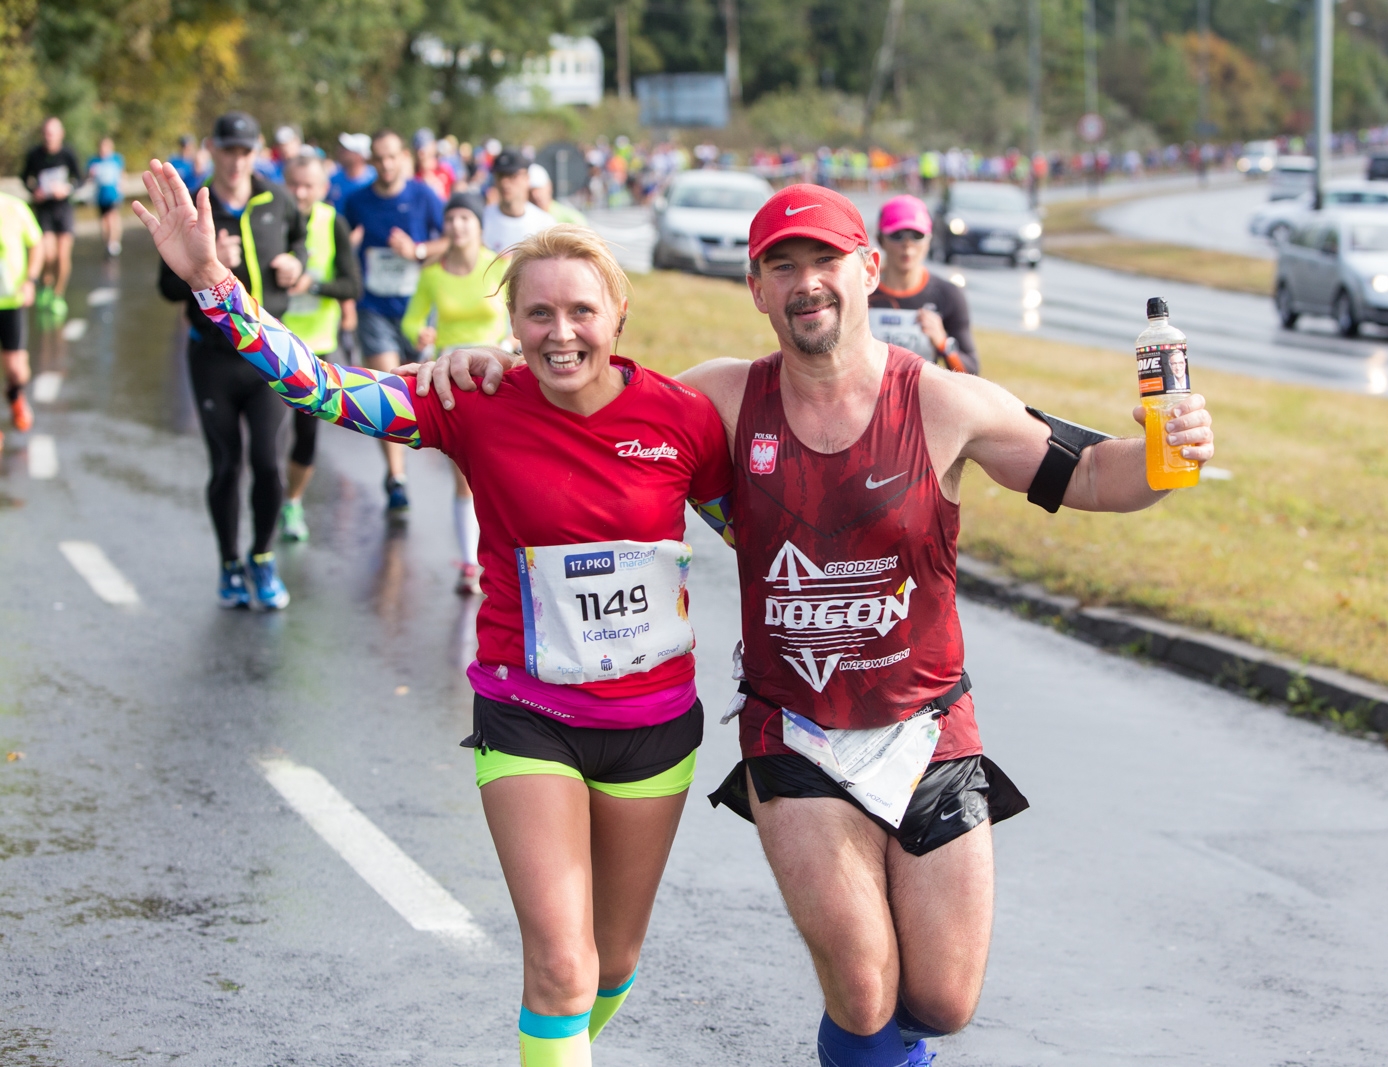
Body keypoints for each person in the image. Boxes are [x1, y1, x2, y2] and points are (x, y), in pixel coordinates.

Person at [417, 184, 1215, 1067]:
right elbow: (593, 403)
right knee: (866, 985)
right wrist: (492, 363)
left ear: (868, 270)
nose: (807, 284)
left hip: (928, 725)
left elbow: (1097, 476)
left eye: (825, 262)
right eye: (782, 267)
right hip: (792, 727)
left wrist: (1164, 452)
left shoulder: (945, 402)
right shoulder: (718, 399)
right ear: (756, 289)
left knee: (941, 1001)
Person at [134, 160, 738, 1067]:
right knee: (562, 966)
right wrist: (213, 286)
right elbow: (319, 387)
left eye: (581, 311)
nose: (561, 332)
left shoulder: (683, 419)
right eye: (538, 313)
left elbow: (763, 540)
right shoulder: (474, 400)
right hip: (529, 717)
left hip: (654, 727)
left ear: (619, 316)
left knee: (612, 963)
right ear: (512, 323)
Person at [156, 111, 306, 610]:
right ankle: (229, 564)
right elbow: (165, 287)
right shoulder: (194, 207)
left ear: (257, 150)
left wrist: (296, 264)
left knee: (267, 462)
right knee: (227, 465)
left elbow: (299, 238)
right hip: (214, 357)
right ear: (212, 149)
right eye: (228, 150)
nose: (237, 161)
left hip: (267, 354)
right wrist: (201, 266)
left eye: (245, 150)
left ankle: (262, 559)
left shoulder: (276, 198)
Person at [399, 190, 507, 594]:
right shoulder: (432, 273)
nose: (458, 226)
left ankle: (506, 560)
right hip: (452, 377)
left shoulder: (500, 267)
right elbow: (411, 322)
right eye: (452, 218)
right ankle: (469, 562)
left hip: (497, 373)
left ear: (480, 225)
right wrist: (420, 334)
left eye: (466, 218)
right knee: (464, 476)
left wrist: (511, 343)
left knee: (503, 475)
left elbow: (518, 316)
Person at [340, 128, 446, 514]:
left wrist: (416, 250)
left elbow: (449, 239)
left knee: (425, 389)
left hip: (418, 309)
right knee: (388, 391)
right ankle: (397, 477)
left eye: (391, 157)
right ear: (371, 161)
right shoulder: (357, 201)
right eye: (378, 159)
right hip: (374, 309)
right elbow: (341, 241)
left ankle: (461, 475)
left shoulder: (423, 195)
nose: (385, 165)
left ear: (403, 157)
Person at [278, 154, 363, 543]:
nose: (300, 193)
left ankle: (292, 501)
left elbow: (352, 286)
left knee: (305, 433)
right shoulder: (271, 219)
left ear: (323, 188)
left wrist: (312, 285)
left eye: (308, 185)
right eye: (293, 184)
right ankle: (268, 497)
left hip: (315, 347)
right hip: (268, 342)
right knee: (264, 436)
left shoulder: (333, 223)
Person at [867, 195, 977, 374]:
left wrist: (943, 343)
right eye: (897, 235)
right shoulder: (861, 292)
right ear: (880, 240)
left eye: (917, 236)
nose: (907, 246)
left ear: (929, 240)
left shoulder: (948, 294)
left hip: (921, 399)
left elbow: (972, 375)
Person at [21, 116, 82, 324]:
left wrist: (68, 188)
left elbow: (79, 178)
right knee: (48, 254)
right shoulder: (34, 155)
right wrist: (34, 190)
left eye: (52, 134)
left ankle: (58, 295)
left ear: (60, 135)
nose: (49, 138)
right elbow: (24, 177)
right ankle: (46, 285)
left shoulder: (68, 154)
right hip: (44, 211)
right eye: (46, 134)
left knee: (63, 255)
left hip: (63, 210)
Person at [0, 186, 43, 450]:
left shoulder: (14, 207)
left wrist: (30, 281)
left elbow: (36, 243)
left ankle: (16, 395)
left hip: (11, 302)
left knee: (16, 368)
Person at [481, 150, 555, 254]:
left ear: (527, 179)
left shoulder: (544, 224)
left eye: (512, 176)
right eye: (500, 176)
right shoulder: (481, 219)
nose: (505, 183)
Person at [87, 136, 125, 256]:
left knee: (112, 218)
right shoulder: (94, 161)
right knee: (104, 221)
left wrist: (122, 188)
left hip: (113, 195)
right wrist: (90, 174)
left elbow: (122, 175)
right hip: (100, 196)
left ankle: (114, 242)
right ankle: (107, 243)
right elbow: (88, 178)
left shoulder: (116, 159)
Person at [329, 133, 375, 211]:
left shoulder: (374, 180)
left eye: (346, 150)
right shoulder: (333, 179)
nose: (340, 152)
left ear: (359, 156)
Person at [413, 128, 454, 202]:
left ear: (434, 145)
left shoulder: (445, 169)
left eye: (424, 145)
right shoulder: (412, 174)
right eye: (418, 146)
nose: (421, 150)